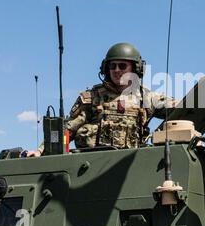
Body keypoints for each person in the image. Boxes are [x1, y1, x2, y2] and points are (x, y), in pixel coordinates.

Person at [27, 42, 176, 157]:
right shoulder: (91, 97)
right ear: (106, 69)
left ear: (136, 68)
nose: (117, 70)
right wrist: (40, 151)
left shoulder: (147, 98)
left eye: (122, 65)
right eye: (112, 66)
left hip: (132, 166)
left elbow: (181, 109)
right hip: (92, 165)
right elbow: (68, 128)